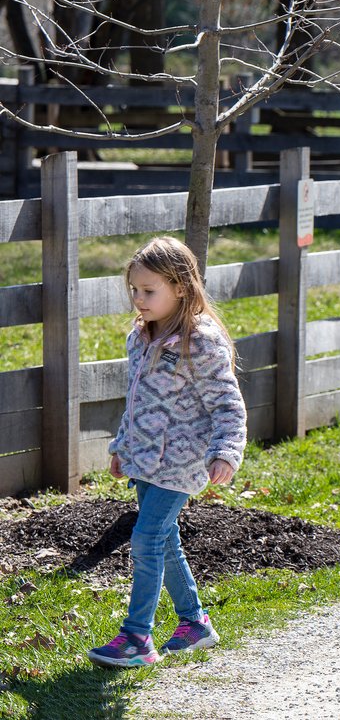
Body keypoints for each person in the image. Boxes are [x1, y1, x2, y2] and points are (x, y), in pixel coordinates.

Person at [87, 236, 247, 668]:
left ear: (180, 287)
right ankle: (194, 623)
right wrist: (123, 447)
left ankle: (137, 637)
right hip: (145, 460)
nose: (138, 300)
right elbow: (136, 400)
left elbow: (227, 404)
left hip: (182, 463)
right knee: (164, 540)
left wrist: (226, 452)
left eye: (149, 291)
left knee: (146, 538)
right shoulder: (139, 337)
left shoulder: (201, 342)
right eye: (134, 290)